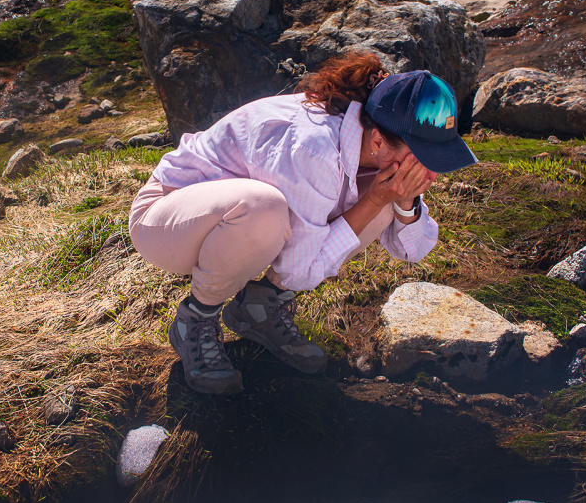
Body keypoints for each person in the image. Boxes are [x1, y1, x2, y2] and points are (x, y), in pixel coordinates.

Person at [128, 51, 478, 394]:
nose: (429, 172)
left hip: (224, 218)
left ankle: (258, 309)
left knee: (380, 202)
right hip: (167, 219)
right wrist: (373, 199)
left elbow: (411, 252)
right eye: (424, 157)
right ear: (377, 142)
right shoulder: (314, 148)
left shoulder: (378, 140)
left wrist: (402, 201)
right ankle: (197, 318)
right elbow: (300, 270)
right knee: (263, 208)